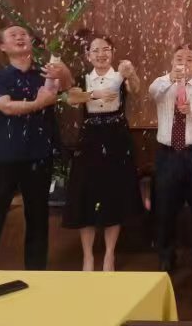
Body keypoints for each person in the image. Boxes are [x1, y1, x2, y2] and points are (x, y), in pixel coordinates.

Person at [0, 25, 73, 270]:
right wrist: (39, 103)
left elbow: (69, 88)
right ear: (3, 47)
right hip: (4, 157)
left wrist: (63, 71)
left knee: (38, 218)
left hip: (39, 156)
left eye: (23, 34)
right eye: (13, 35)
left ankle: (36, 274)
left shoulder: (44, 73)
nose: (20, 37)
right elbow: (7, 107)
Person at [62, 36, 145, 271]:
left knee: (114, 194)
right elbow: (70, 97)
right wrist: (94, 95)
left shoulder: (120, 75)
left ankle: (109, 254)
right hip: (90, 140)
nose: (101, 54)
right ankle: (87, 256)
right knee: (85, 195)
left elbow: (136, 89)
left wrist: (131, 73)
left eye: (106, 49)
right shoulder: (83, 78)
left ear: (112, 53)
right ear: (88, 55)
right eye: (95, 50)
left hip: (117, 138)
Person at [148, 44, 192, 274]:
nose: (184, 63)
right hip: (168, 155)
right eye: (179, 58)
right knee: (165, 208)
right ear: (172, 62)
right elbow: (153, 93)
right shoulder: (161, 82)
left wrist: (191, 108)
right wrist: (171, 78)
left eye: (189, 59)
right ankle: (166, 255)